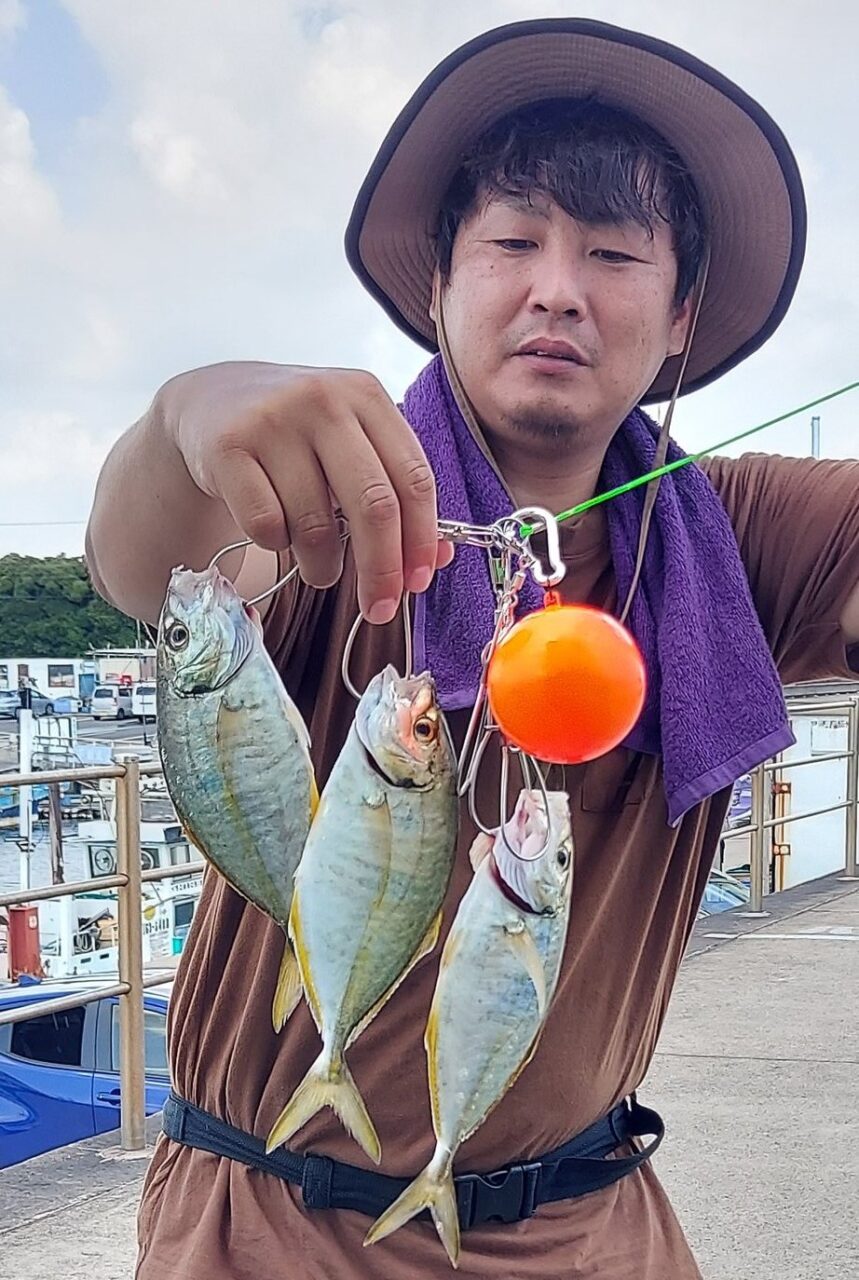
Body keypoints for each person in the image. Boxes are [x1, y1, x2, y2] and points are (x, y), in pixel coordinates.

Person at [87, 18, 859, 1280]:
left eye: (612, 253)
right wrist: (187, 415)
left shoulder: (741, 536)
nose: (557, 285)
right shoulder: (326, 495)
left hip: (593, 1228)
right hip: (261, 1232)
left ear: (678, 320)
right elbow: (140, 562)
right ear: (437, 281)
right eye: (511, 241)